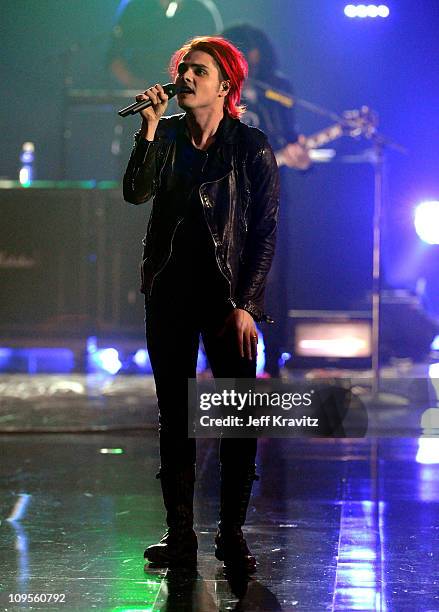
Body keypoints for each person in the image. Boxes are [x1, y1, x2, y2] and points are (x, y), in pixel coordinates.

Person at [123, 36, 279, 572]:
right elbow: (135, 193)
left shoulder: (250, 145)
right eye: (183, 69)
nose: (186, 77)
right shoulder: (165, 136)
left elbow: (264, 232)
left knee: (238, 418)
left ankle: (232, 534)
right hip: (169, 293)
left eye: (199, 70)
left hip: (226, 299)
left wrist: (246, 305)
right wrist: (146, 129)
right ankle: (180, 534)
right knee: (175, 417)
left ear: (225, 84)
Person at [222, 24, 312, 377]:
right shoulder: (217, 89)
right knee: (219, 275)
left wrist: (301, 161)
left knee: (272, 278)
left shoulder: (278, 90)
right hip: (224, 198)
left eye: (253, 50)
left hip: (268, 199)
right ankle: (218, 358)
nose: (249, 58)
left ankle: (273, 358)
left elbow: (291, 144)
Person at [108, 0, 221, 88]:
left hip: (190, 95)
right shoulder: (135, 8)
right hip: (142, 97)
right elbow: (114, 57)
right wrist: (137, 87)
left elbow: (217, 57)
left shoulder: (201, 10)